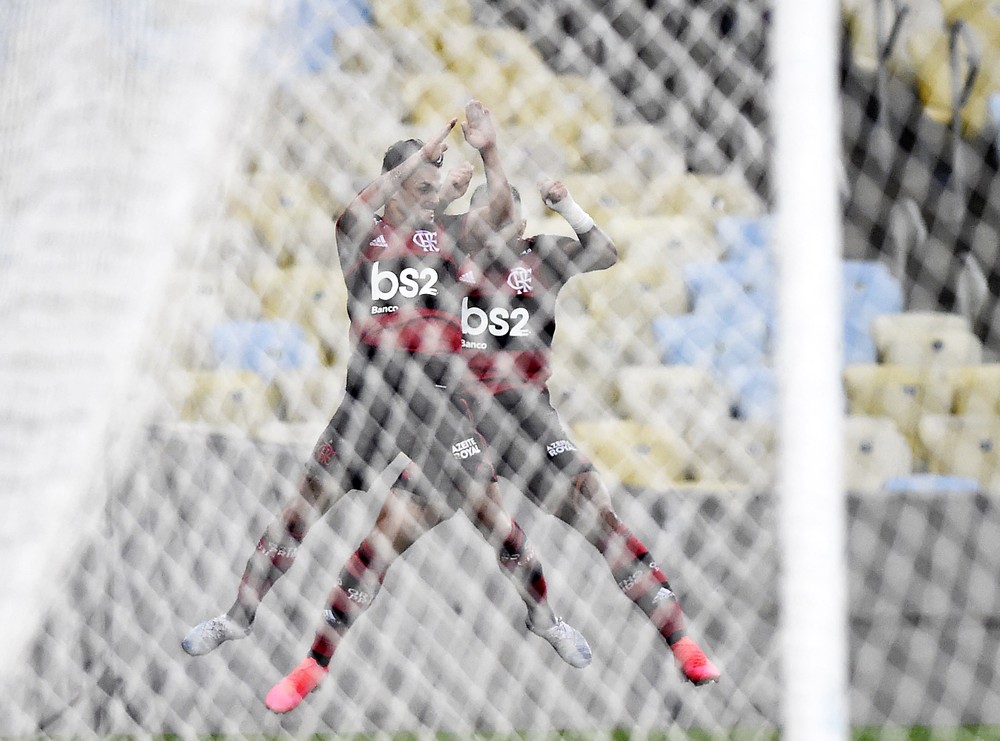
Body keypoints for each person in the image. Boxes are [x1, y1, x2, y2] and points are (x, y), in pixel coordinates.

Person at [182, 102, 591, 710]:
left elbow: (503, 215)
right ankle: (238, 617)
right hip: (367, 403)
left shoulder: (447, 237)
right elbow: (354, 207)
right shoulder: (361, 237)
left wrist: (490, 152)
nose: (431, 195)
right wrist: (420, 162)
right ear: (397, 183)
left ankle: (545, 617)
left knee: (495, 518)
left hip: (437, 409)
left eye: (434, 185)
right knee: (300, 509)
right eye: (419, 184)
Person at [450, 178, 721, 686]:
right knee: (493, 521)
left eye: (504, 214)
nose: (491, 223)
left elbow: (603, 252)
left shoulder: (542, 255)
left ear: (521, 223)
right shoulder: (444, 259)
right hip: (462, 416)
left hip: (531, 413)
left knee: (596, 508)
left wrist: (567, 205)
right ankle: (541, 613)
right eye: (481, 214)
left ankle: (681, 641)